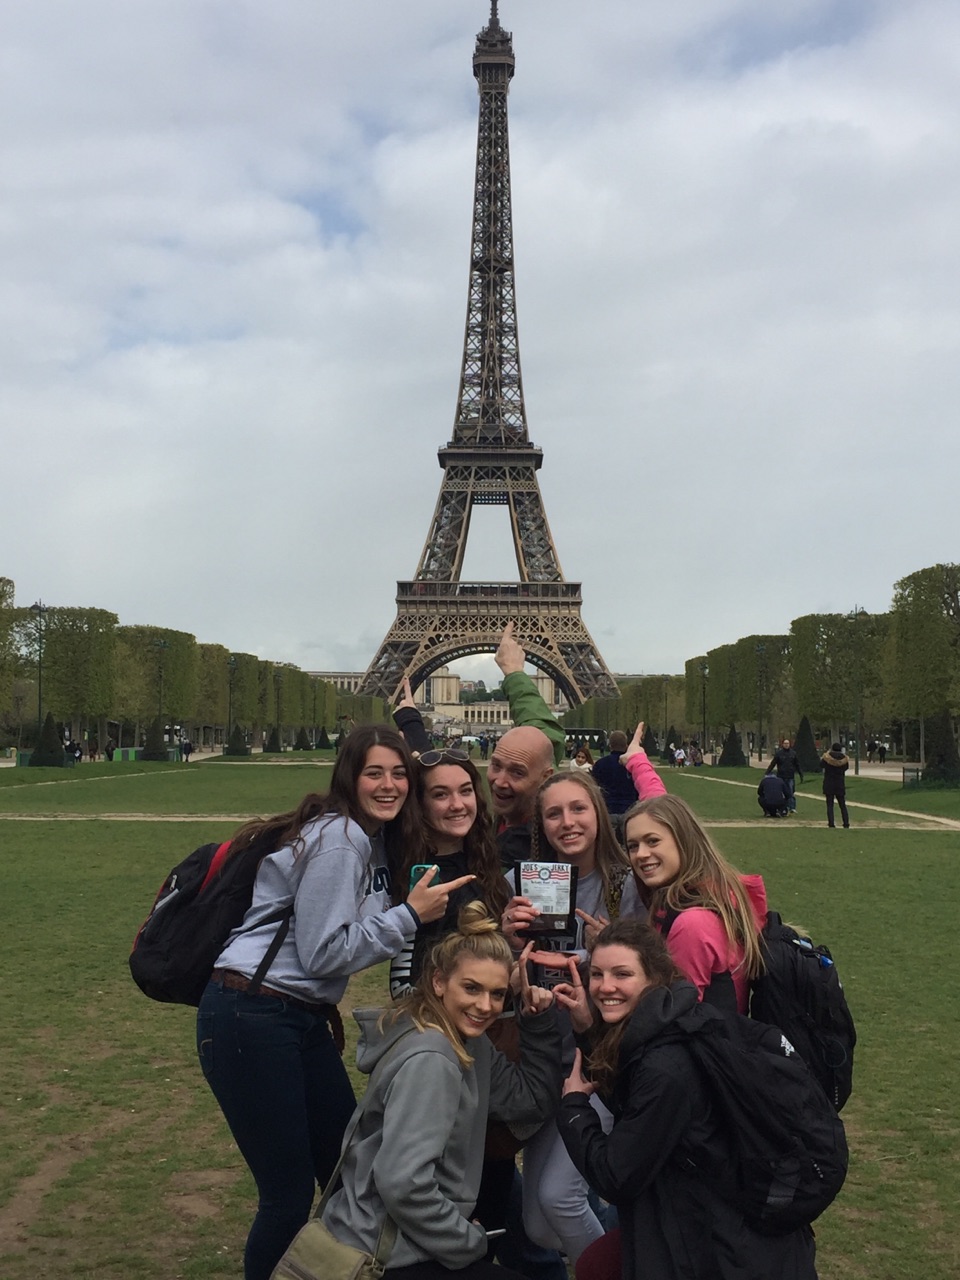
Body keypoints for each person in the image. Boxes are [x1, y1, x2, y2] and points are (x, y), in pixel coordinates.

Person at [196, 725, 476, 1280]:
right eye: (375, 772)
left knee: (346, 1166)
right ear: (350, 775)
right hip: (254, 1011)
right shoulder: (340, 839)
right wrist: (409, 917)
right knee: (287, 1191)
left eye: (400, 774)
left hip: (291, 1016)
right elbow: (324, 953)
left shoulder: (366, 839)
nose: (390, 785)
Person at [556, 920, 818, 1280]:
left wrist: (573, 1109)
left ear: (653, 978)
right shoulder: (676, 1021)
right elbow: (635, 1106)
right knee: (596, 1265)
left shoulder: (666, 1065)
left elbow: (616, 1175)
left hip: (716, 1246)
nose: (605, 987)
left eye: (622, 974)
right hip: (712, 1223)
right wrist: (588, 1031)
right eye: (597, 974)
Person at [322, 904, 564, 1280]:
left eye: (497, 994)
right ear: (438, 982)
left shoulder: (464, 1037)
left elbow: (526, 1101)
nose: (484, 1006)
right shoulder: (433, 1058)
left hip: (397, 1238)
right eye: (471, 988)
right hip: (384, 1254)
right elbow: (402, 1182)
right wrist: (467, 1242)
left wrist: (536, 1023)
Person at [499, 750, 665, 1267]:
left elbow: (658, 977)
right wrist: (504, 942)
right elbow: (493, 978)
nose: (567, 822)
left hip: (603, 1059)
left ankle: (622, 1268)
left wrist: (610, 945)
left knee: (559, 1197)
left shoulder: (630, 885)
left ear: (598, 812)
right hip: (545, 1057)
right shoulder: (518, 886)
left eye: (579, 809)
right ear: (540, 824)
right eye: (554, 813)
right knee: (536, 1223)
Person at [591, 730, 639, 841]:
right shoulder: (632, 764)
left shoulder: (601, 764)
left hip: (608, 809)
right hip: (629, 809)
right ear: (626, 745)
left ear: (610, 745)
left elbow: (594, 787)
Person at [767, 738, 803, 813]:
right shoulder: (779, 754)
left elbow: (797, 764)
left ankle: (792, 807)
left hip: (790, 776)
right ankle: (782, 807)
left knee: (791, 792)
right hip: (781, 776)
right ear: (782, 744)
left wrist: (800, 773)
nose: (786, 745)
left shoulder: (793, 753)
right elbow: (773, 763)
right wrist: (767, 772)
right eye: (785, 743)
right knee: (780, 792)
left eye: (788, 743)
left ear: (789, 745)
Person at [821, 742, 850, 829]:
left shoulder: (827, 758)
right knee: (842, 805)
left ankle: (831, 823)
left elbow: (821, 765)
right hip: (839, 783)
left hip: (829, 783)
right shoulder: (844, 759)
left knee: (830, 805)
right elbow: (846, 768)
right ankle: (846, 823)